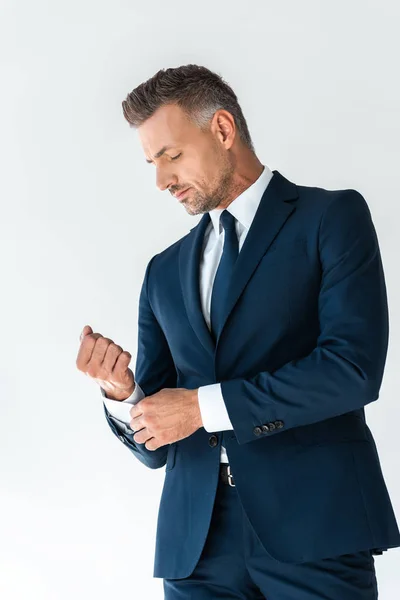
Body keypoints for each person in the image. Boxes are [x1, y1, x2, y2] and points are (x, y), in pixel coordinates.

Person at [76, 64, 400, 599]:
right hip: (195, 543)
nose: (161, 181)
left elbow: (352, 370)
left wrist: (203, 407)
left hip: (314, 528)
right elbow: (159, 444)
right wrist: (123, 394)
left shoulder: (330, 218)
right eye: (151, 163)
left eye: (171, 155)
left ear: (223, 130)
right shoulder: (163, 270)